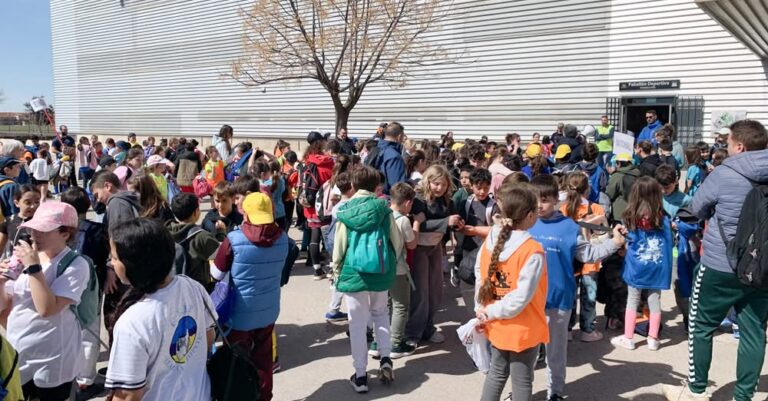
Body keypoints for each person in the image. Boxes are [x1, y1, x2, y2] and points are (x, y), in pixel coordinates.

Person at [663, 120, 768, 401]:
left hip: (720, 264)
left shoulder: (723, 174)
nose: (725, 146)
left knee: (701, 325)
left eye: (728, 142)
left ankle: (696, 390)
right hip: (761, 267)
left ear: (740, 147)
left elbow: (697, 209)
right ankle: (743, 396)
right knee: (754, 331)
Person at [529, 174, 624, 400]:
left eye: (545, 200)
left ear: (556, 199)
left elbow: (589, 253)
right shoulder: (525, 222)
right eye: (535, 199)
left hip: (559, 299)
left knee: (556, 353)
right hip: (529, 300)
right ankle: (525, 391)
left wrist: (614, 243)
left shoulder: (569, 226)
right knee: (528, 354)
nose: (539, 205)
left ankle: (555, 392)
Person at [105, 218, 215, 401]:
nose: (112, 263)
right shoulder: (192, 286)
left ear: (134, 265)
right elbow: (209, 337)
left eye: (115, 258)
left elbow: (128, 395)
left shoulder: (132, 322)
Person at [0, 201, 90, 401]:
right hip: (19, 352)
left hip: (53, 359)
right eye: (33, 229)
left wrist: (33, 268)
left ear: (65, 233)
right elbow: (4, 306)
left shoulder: (76, 265)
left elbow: (47, 309)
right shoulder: (24, 257)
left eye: (43, 230)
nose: (34, 235)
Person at [331, 166, 403, 393]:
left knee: (357, 323)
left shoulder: (345, 210)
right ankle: (385, 358)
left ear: (352, 186)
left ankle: (360, 375)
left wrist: (336, 270)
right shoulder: (384, 208)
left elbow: (340, 246)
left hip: (354, 272)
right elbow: (397, 240)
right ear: (377, 186)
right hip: (380, 271)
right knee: (381, 313)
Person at [212, 192, 289, 401]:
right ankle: (264, 396)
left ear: (244, 212)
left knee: (237, 361)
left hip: (239, 313)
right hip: (269, 309)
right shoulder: (283, 239)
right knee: (264, 360)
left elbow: (216, 274)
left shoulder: (234, 239)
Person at [475, 184, 545, 401]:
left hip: (495, 321)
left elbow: (481, 274)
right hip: (523, 325)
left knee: (496, 373)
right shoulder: (532, 250)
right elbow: (521, 298)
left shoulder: (492, 240)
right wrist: (491, 311)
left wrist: (482, 308)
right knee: (522, 380)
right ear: (531, 215)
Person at [611, 177, 672, 351]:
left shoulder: (630, 218)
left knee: (633, 300)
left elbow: (627, 242)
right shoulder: (663, 219)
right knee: (655, 301)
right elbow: (668, 244)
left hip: (637, 266)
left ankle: (628, 337)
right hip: (658, 265)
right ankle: (653, 338)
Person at [59, 187, 110, 394]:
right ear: (88, 205)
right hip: (91, 288)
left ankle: (69, 372)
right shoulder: (97, 230)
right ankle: (86, 379)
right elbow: (104, 257)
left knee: (67, 329)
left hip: (62, 287)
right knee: (90, 331)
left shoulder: (58, 230)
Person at [406, 165, 461, 346]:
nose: (440, 188)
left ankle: (428, 328)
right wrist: (446, 222)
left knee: (435, 292)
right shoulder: (418, 200)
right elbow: (418, 225)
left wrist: (456, 225)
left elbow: (449, 223)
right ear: (428, 181)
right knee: (420, 293)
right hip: (419, 248)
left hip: (435, 248)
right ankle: (413, 332)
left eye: (444, 184)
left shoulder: (447, 200)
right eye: (436, 183)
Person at [90, 170, 143, 343]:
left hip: (122, 270)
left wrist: (111, 268)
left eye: (97, 194)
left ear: (108, 186)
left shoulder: (117, 203)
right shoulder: (128, 200)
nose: (97, 199)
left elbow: (119, 238)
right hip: (131, 266)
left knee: (115, 317)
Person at [387, 183, 419, 358]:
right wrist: (417, 225)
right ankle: (396, 343)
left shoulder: (383, 214)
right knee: (400, 306)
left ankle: (379, 341)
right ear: (407, 203)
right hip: (398, 269)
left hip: (381, 268)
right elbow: (412, 244)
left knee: (384, 307)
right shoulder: (403, 220)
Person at [167, 193, 220, 289]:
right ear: (196, 212)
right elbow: (220, 256)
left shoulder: (166, 231)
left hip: (172, 286)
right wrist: (221, 232)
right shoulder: (201, 236)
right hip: (196, 288)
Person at [301, 131, 334, 279]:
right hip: (326, 204)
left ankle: (317, 270)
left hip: (310, 203)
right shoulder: (329, 162)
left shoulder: (306, 161)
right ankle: (333, 269)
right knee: (330, 237)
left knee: (314, 236)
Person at [367, 122, 406, 195]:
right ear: (399, 136)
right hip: (388, 199)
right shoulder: (394, 156)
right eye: (403, 137)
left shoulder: (375, 149)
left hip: (372, 195)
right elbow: (397, 186)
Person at [606, 153, 640, 223]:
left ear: (618, 163)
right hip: (636, 210)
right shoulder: (638, 174)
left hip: (620, 213)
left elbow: (609, 194)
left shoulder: (617, 176)